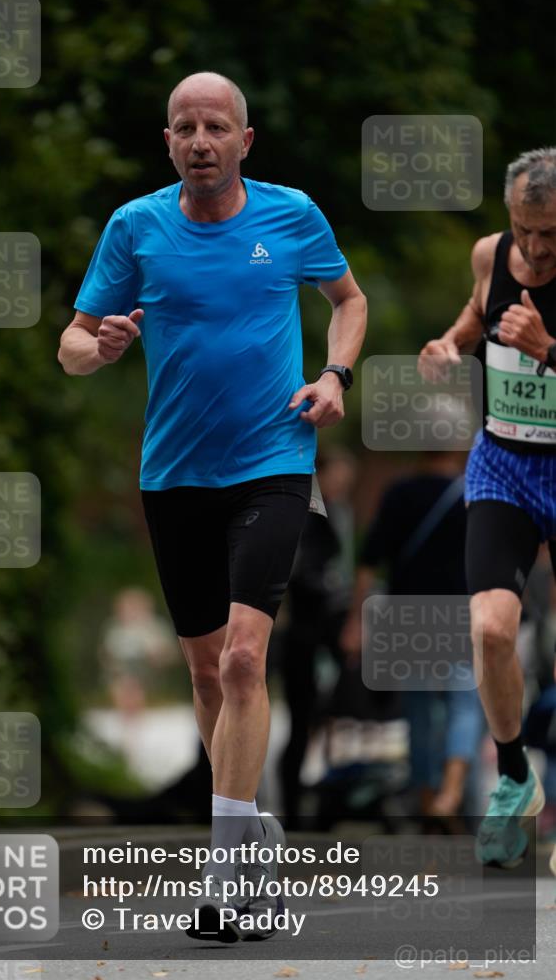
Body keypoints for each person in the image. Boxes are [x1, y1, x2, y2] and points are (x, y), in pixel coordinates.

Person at [58, 71, 367, 941]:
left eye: (215, 127)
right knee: (203, 673)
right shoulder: (135, 227)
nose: (200, 140)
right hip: (174, 477)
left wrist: (334, 376)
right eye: (184, 127)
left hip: (273, 460)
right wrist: (102, 343)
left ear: (244, 139)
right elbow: (70, 348)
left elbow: (348, 301)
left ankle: (230, 875)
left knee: (240, 661)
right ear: (168, 142)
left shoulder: (291, 215)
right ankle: (252, 836)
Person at [417, 147, 556, 868]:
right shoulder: (490, 254)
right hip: (503, 462)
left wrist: (549, 349)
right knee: (492, 630)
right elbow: (476, 313)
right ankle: (511, 778)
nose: (533, 249)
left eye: (550, 236)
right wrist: (448, 344)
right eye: (522, 230)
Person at [340, 449, 485, 822]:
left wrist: (357, 620)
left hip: (409, 616)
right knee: (464, 705)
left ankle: (425, 797)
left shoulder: (399, 493)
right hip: (460, 613)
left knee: (418, 710)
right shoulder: (475, 491)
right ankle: (450, 794)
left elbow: (369, 562)